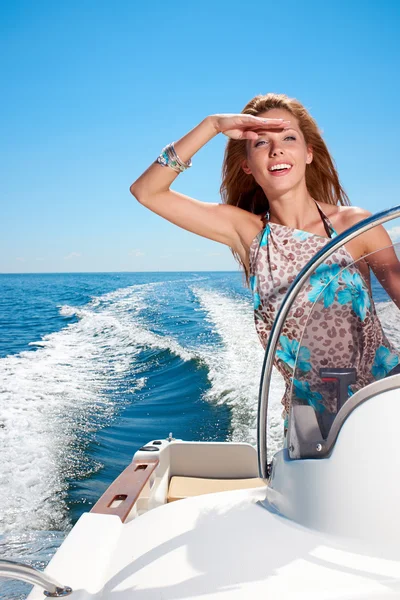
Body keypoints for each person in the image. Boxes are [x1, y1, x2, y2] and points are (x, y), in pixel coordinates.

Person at [130, 92, 400, 431]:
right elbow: (147, 191)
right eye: (261, 143)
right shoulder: (247, 232)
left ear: (308, 153)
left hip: (385, 400)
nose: (277, 149)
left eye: (289, 138)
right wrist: (212, 125)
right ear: (247, 164)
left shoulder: (356, 226)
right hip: (313, 425)